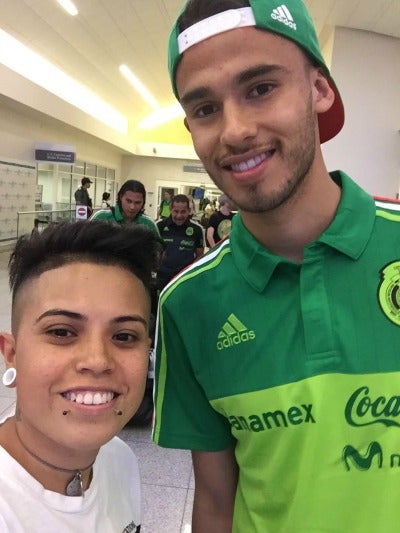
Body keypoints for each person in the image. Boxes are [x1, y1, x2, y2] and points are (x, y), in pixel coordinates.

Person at [153, 1, 400, 532]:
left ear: (319, 89)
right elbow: (215, 501)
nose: (235, 131)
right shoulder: (188, 305)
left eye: (261, 88)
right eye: (205, 108)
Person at [0, 220, 158, 531]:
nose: (97, 361)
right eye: (62, 332)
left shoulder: (119, 459)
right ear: (12, 353)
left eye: (124, 336)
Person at [156, 194, 204, 291]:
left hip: (185, 278)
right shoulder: (159, 226)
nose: (179, 216)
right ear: (170, 209)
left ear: (189, 211)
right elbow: (154, 253)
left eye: (183, 212)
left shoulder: (197, 229)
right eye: (176, 211)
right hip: (162, 278)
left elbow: (200, 256)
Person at [91, 179, 159, 236]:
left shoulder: (149, 224)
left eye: (137, 203)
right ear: (121, 197)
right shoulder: (101, 217)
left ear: (143, 202)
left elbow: (158, 247)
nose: (132, 207)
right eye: (128, 201)